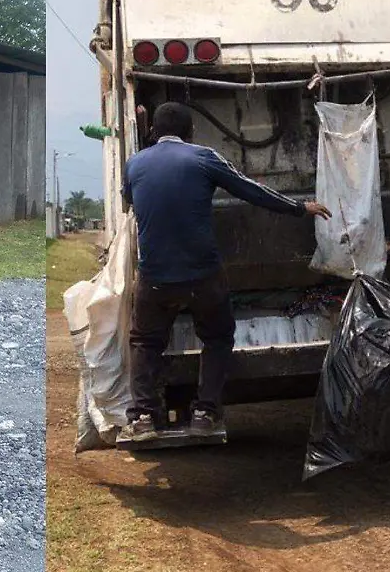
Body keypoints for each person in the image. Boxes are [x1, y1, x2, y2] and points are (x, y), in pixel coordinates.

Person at [119, 102, 332, 442]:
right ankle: (205, 412)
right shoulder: (204, 157)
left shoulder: (134, 163)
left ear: (154, 133)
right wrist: (299, 207)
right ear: (190, 133)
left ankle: (143, 417)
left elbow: (128, 199)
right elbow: (250, 189)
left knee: (145, 341)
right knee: (217, 337)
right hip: (203, 276)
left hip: (155, 277)